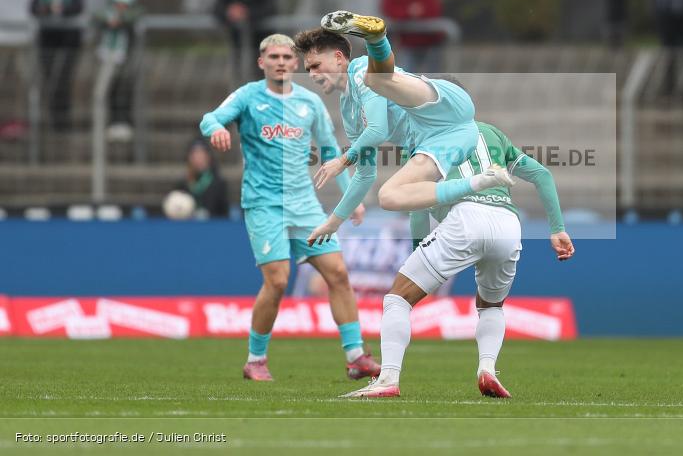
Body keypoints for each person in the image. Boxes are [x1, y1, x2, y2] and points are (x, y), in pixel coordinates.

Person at [341, 121, 575, 399]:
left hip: (465, 219)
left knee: (398, 299)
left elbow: (417, 204)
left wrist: (419, 249)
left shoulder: (421, 137)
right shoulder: (492, 133)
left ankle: (388, 379)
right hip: (508, 223)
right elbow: (542, 175)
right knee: (491, 305)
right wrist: (557, 229)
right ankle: (487, 369)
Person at [199, 33, 378, 382]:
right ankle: (255, 359)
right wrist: (217, 129)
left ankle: (356, 356)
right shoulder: (248, 96)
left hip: (304, 204)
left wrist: (350, 199)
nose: (280, 62)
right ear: (261, 62)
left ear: (295, 63)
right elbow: (210, 118)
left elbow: (330, 152)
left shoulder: (310, 103)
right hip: (264, 203)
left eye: (286, 57)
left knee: (338, 274)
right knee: (278, 280)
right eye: (273, 57)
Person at [295, 19, 514, 246]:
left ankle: (376, 38)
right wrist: (333, 223)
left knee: (375, 79)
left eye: (315, 65)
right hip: (446, 140)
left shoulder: (359, 68)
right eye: (308, 69)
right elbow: (365, 175)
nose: (311, 74)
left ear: (338, 58)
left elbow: (378, 130)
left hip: (446, 107)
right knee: (391, 196)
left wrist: (342, 161)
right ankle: (483, 181)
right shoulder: (349, 113)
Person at [29, 0, 85, 131]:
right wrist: (46, 8)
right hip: (47, 39)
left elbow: (79, 7)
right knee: (49, 79)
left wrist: (62, 9)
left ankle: (63, 120)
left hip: (68, 40)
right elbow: (33, 7)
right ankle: (52, 119)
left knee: (63, 79)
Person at [93, 0, 142, 142]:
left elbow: (135, 16)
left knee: (124, 90)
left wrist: (121, 20)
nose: (120, 7)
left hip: (124, 59)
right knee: (107, 91)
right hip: (107, 59)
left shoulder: (132, 17)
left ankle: (124, 122)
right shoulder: (105, 16)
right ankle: (108, 123)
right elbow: (96, 16)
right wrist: (110, 20)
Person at [212, 0, 277, 78]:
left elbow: (271, 8)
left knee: (261, 67)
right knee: (237, 67)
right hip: (236, 35)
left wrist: (247, 13)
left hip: (262, 35)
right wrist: (229, 12)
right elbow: (217, 7)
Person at [173, 139, 230, 218]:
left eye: (201, 155)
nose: (198, 159)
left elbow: (224, 213)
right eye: (194, 156)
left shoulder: (218, 184)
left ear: (208, 157)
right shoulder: (182, 184)